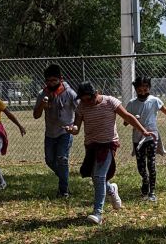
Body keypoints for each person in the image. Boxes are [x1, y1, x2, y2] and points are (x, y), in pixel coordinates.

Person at [66, 81, 156, 225]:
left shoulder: (110, 102)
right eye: (82, 99)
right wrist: (72, 129)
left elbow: (128, 117)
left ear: (96, 93)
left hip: (108, 144)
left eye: (88, 99)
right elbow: (77, 128)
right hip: (91, 145)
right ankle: (112, 189)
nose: (86, 102)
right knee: (96, 178)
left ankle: (98, 213)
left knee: (99, 176)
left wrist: (143, 131)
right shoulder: (82, 106)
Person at [124, 76, 166, 202]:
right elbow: (126, 122)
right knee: (141, 165)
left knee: (151, 163)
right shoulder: (131, 104)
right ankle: (145, 181)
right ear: (135, 89)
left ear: (149, 88)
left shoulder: (154, 101)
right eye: (140, 90)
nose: (143, 92)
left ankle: (152, 191)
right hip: (137, 137)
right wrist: (131, 120)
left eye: (145, 89)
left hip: (152, 136)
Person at [33, 64, 78, 198]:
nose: (51, 83)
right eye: (48, 81)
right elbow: (36, 115)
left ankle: (63, 191)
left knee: (62, 158)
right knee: (50, 160)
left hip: (65, 132)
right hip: (50, 133)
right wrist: (42, 105)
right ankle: (65, 180)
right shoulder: (43, 94)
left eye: (54, 80)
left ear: (61, 79)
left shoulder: (69, 93)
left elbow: (80, 110)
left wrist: (75, 126)